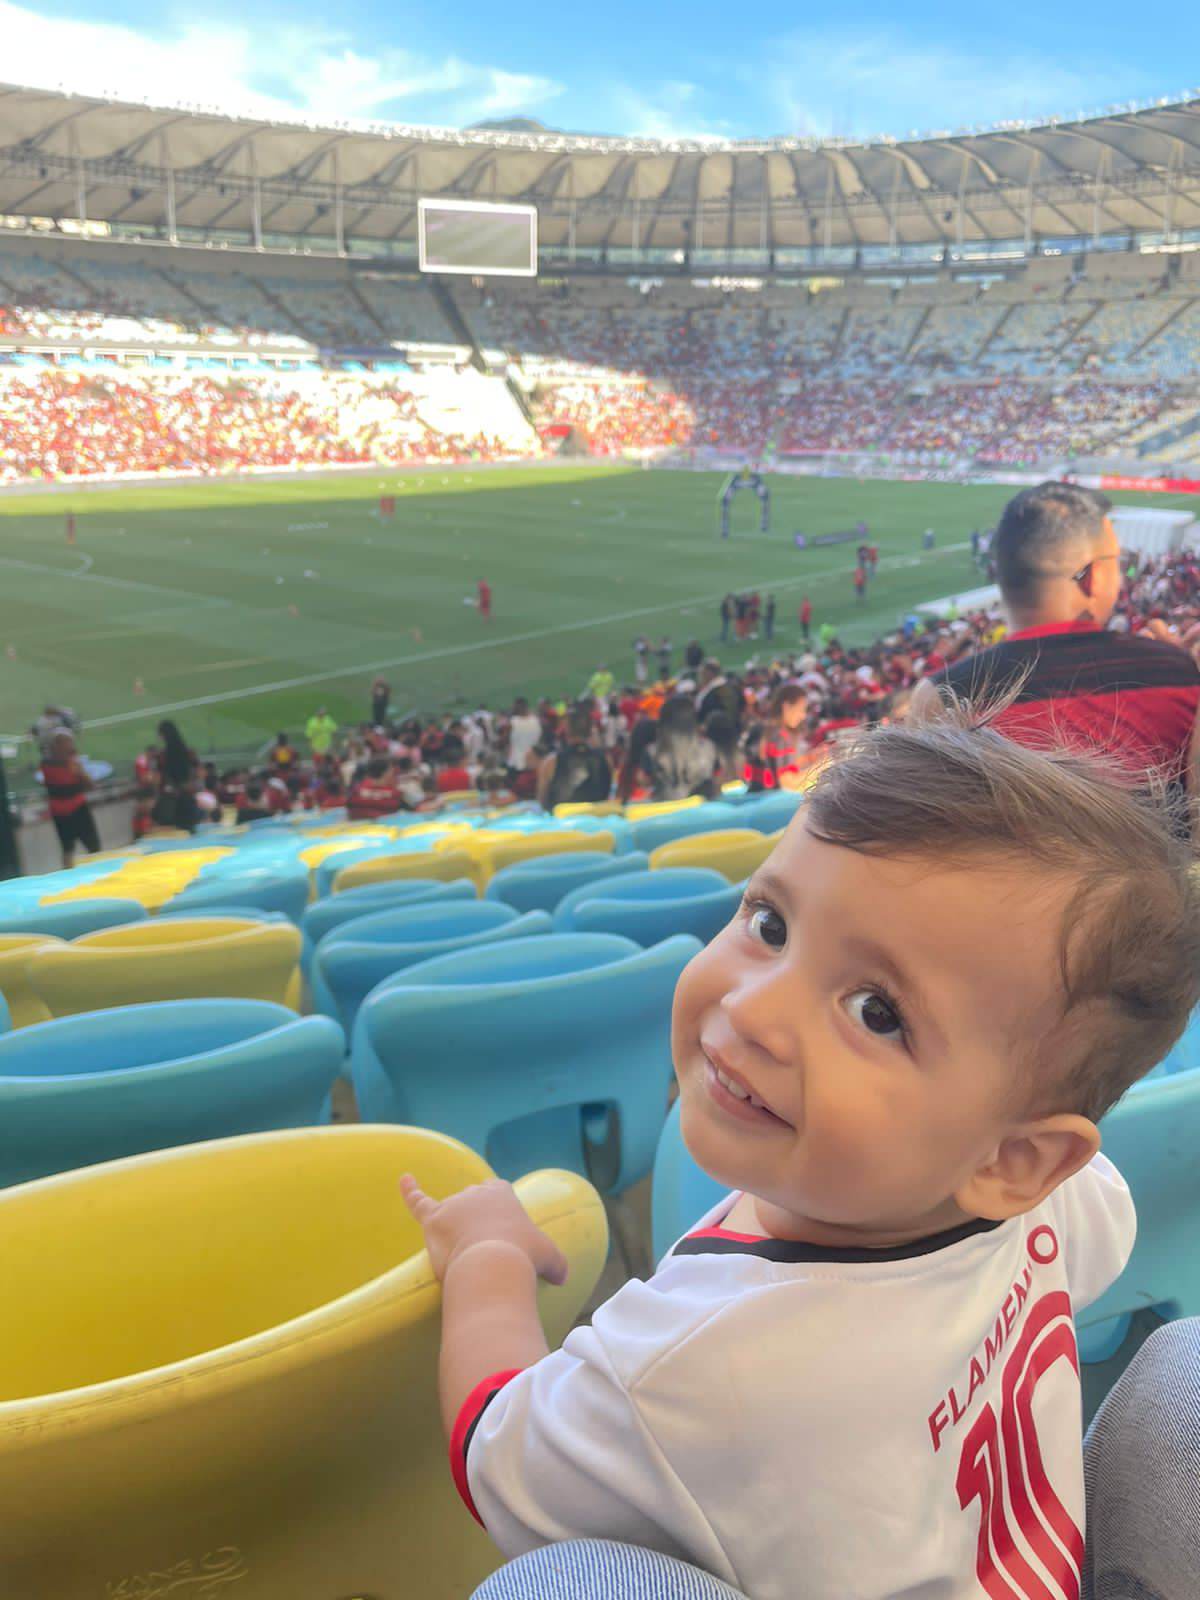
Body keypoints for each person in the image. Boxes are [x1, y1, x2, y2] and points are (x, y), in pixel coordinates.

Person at [401, 712, 1200, 1600]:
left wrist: (488, 1256)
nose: (750, 1010)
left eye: (877, 1012)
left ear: (1015, 1160)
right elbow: (1101, 1228)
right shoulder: (1060, 1197)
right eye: (771, 924)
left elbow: (493, 1449)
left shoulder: (693, 1368)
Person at [913, 482, 1200, 813]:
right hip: (1148, 863)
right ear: (1091, 577)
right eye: (1115, 561)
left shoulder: (941, 697)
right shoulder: (1179, 677)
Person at [40, 729, 100, 866]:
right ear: (58, 745)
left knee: (69, 848)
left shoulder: (47, 763)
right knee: (90, 846)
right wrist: (79, 771)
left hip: (62, 811)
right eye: (68, 742)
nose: (71, 746)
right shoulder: (68, 763)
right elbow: (89, 785)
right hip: (75, 808)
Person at [537, 705, 613, 810]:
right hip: (596, 819)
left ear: (567, 730)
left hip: (561, 822)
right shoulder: (606, 760)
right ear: (590, 730)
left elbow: (542, 801)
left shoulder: (550, 762)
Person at [647, 695, 720, 801]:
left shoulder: (652, 752)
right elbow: (717, 779)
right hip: (703, 811)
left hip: (666, 812)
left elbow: (643, 781)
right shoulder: (710, 748)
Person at [742, 685, 810, 791]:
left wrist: (811, 758)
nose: (803, 715)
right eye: (801, 709)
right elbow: (786, 783)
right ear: (786, 707)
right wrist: (820, 768)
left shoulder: (762, 729)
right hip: (772, 801)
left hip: (755, 796)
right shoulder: (779, 735)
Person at [156, 719, 198, 832]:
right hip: (184, 785)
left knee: (182, 816)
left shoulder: (169, 750)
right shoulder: (182, 746)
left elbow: (171, 769)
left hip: (179, 786)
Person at [507, 698, 542, 775]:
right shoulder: (536, 721)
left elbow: (506, 742)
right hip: (532, 763)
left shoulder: (513, 721)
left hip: (516, 762)